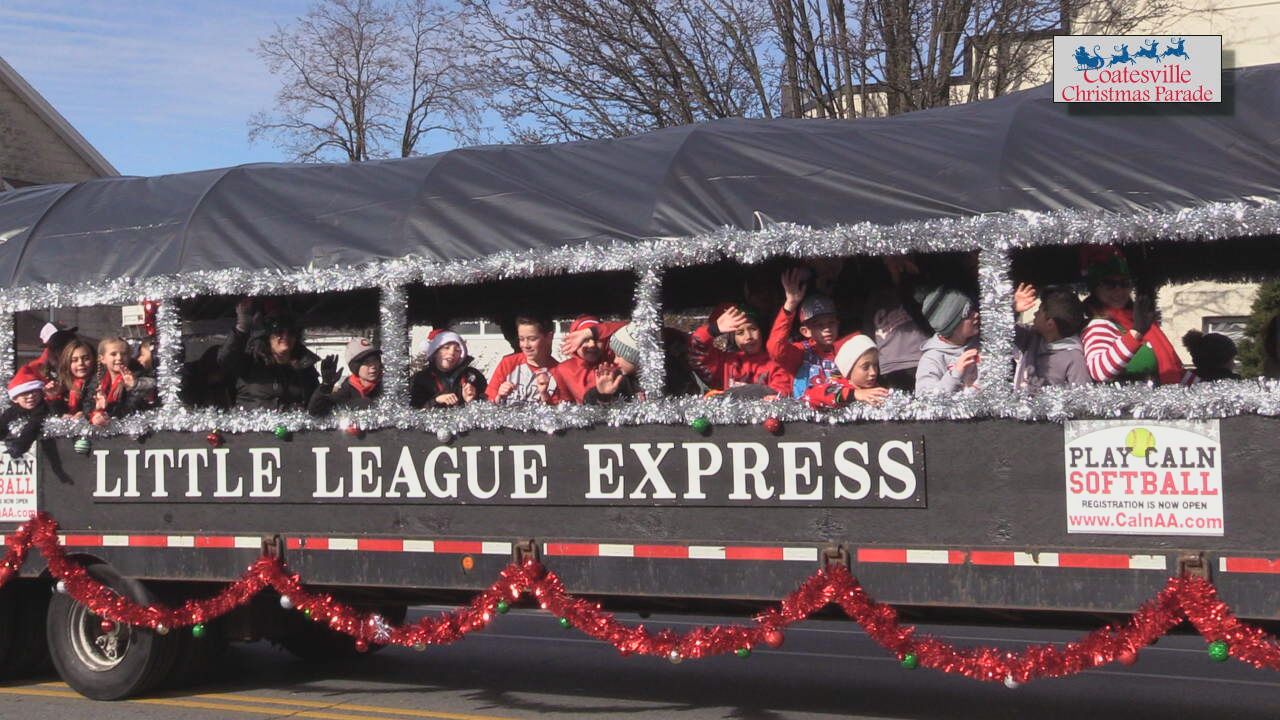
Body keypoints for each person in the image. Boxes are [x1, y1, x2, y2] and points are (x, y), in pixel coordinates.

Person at [1079, 249, 1188, 385]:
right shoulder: (1099, 325)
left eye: (1125, 284)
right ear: (1095, 288)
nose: (1118, 290)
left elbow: (1176, 371)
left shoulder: (1139, 322)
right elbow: (1099, 371)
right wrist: (1136, 333)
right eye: (1109, 284)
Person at [218, 299, 320, 411]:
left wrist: (326, 387)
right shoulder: (252, 361)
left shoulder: (305, 367)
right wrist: (242, 327)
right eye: (279, 331)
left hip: (290, 427)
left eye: (291, 332)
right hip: (253, 426)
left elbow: (314, 407)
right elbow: (226, 359)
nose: (285, 336)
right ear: (268, 337)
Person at [688, 304, 791, 398]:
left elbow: (780, 393)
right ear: (733, 339)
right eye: (740, 333)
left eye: (753, 329)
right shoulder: (726, 362)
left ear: (761, 331)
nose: (749, 336)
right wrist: (714, 329)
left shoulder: (776, 363)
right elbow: (696, 350)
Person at [768, 269, 841, 398]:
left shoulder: (845, 348)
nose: (827, 329)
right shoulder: (801, 352)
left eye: (831, 323)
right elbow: (775, 348)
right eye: (819, 325)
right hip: (805, 416)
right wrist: (790, 304)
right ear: (805, 331)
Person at [1013, 285, 1091, 390]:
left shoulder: (1074, 359)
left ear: (1050, 324)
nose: (1035, 314)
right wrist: (1013, 308)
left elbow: (1083, 398)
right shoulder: (1030, 336)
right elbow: (1000, 330)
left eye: (1039, 311)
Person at [915, 286, 980, 394]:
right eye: (968, 314)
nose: (976, 314)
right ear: (952, 326)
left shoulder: (983, 342)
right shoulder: (932, 359)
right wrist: (955, 374)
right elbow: (926, 400)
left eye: (973, 309)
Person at [551, 315, 628, 404]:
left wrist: (589, 332)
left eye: (597, 339)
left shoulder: (614, 361)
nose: (592, 344)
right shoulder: (563, 370)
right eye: (586, 339)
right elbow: (562, 405)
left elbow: (632, 326)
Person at [803, 333, 890, 408]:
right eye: (865, 367)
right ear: (848, 370)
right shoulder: (837, 384)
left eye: (875, 365)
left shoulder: (876, 388)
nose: (873, 372)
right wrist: (854, 394)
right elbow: (811, 394)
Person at [488, 315, 558, 405]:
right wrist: (499, 396)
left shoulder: (559, 373)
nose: (526, 345)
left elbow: (560, 412)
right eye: (521, 339)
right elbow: (488, 404)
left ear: (549, 337)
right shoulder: (508, 363)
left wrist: (544, 394)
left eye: (532, 339)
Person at [410, 329, 487, 408]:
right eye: (446, 348)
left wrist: (472, 400)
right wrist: (437, 400)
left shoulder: (472, 376)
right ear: (435, 352)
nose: (451, 352)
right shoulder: (420, 379)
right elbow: (413, 410)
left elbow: (488, 403)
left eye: (457, 350)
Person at [89, 337, 158, 425]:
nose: (119, 357)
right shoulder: (96, 380)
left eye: (124, 354)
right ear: (102, 359)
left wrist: (134, 387)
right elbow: (87, 405)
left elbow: (132, 410)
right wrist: (96, 412)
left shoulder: (138, 377)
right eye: (113, 354)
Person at [310, 338, 383, 414]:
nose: (373, 366)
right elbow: (315, 412)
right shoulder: (347, 388)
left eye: (375, 360)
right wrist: (326, 385)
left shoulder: (387, 384)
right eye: (366, 362)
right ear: (355, 367)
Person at [583, 324, 643, 404]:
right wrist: (603, 395)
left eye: (619, 356)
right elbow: (588, 402)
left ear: (635, 358)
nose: (615, 361)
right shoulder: (622, 382)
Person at [0, 366, 49, 456]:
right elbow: (3, 423)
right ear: (15, 399)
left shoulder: (42, 408)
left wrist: (20, 446)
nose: (30, 396)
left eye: (34, 391)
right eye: (25, 393)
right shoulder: (12, 411)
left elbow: (34, 426)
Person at [46, 339, 97, 418]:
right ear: (67, 363)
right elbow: (50, 413)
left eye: (86, 358)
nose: (80, 363)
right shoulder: (62, 386)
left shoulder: (101, 383)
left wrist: (86, 415)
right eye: (74, 360)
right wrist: (53, 397)